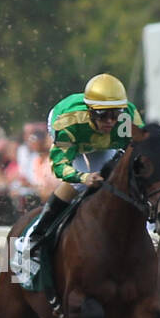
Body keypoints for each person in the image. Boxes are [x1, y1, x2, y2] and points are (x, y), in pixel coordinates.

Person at [22, 73, 142, 269]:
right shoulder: (69, 122)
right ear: (90, 111)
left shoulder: (129, 118)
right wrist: (84, 177)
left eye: (116, 114)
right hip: (77, 138)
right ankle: (38, 234)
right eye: (103, 114)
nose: (110, 121)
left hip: (104, 144)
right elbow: (60, 166)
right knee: (79, 182)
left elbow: (143, 149)